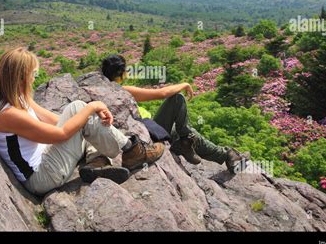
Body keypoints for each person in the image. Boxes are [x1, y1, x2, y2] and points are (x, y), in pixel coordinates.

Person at [0, 47, 165, 196]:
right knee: (80, 109)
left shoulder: (17, 98)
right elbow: (60, 134)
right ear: (22, 77)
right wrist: (91, 107)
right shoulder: (8, 114)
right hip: (41, 177)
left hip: (47, 160)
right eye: (33, 73)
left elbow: (55, 120)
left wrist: (84, 119)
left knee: (79, 116)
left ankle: (97, 163)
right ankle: (132, 151)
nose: (35, 78)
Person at [101, 54, 249, 173]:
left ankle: (224, 154)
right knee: (177, 99)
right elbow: (163, 93)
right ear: (120, 74)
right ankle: (198, 144)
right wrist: (184, 84)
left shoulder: (103, 89)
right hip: (148, 133)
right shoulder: (122, 90)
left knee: (189, 133)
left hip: (148, 128)